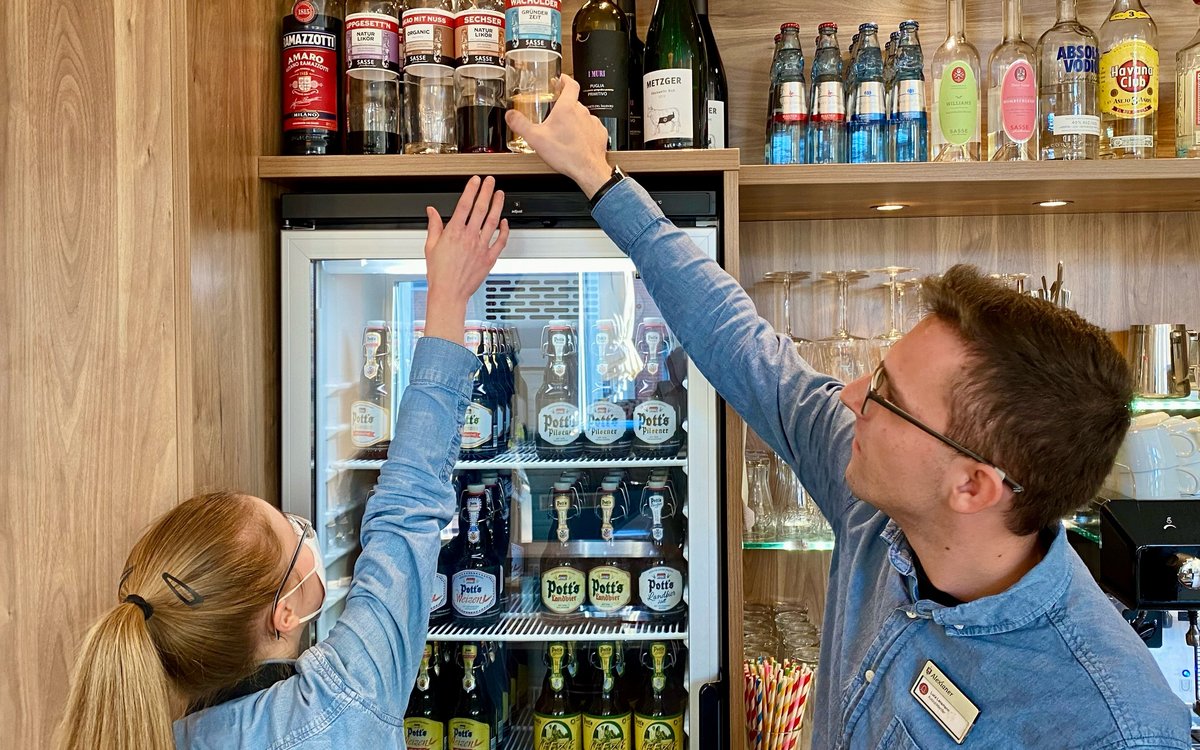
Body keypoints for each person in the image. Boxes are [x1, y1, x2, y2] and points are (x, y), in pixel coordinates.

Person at [505, 79, 1192, 748]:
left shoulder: (1114, 724)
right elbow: (742, 346)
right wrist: (601, 176)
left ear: (973, 485)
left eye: (887, 395)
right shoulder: (885, 512)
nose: (848, 396)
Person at [55, 177, 510, 749]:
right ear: (284, 615)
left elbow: (408, 509)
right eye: (295, 537)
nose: (306, 530)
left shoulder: (149, 736)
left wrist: (444, 299)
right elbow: (407, 507)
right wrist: (449, 299)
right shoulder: (347, 700)